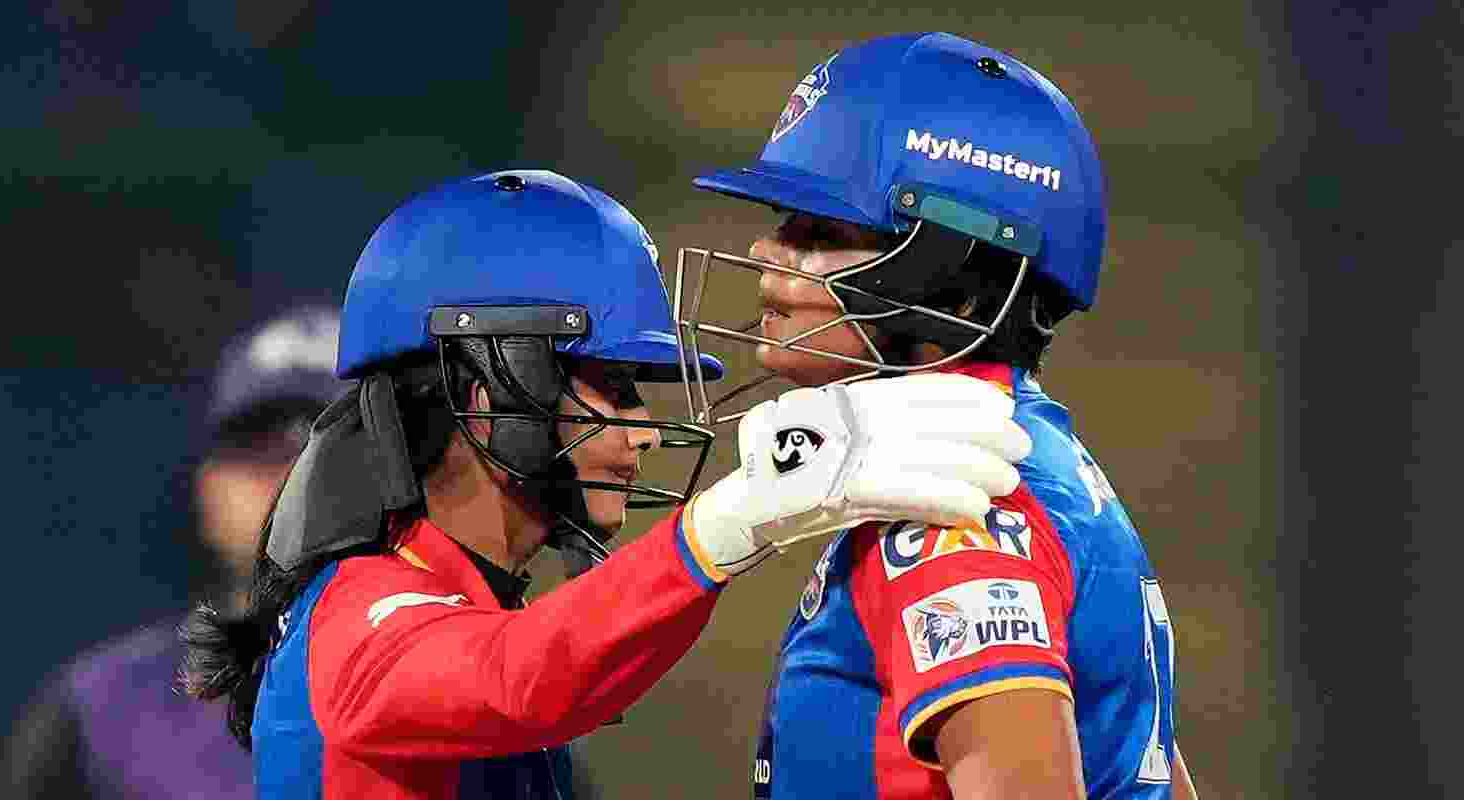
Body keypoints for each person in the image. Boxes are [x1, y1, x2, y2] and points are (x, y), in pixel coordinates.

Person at [180, 168, 1035, 799]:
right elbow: (520, 678)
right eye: (614, 389)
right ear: (491, 396)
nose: (641, 435)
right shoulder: (357, 611)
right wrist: (730, 522)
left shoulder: (461, 604)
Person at [674, 32, 1199, 800]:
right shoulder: (1036, 462)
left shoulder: (956, 506)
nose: (766, 250)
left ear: (953, 280)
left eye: (819, 233)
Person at [0, 305, 346, 800]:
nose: (288, 475)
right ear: (204, 487)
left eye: (326, 446)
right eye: (255, 444)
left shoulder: (475, 694)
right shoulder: (96, 715)